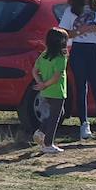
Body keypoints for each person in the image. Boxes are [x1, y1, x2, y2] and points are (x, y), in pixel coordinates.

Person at [57, 0, 96, 139]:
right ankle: (84, 124)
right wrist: (82, 30)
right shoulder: (71, 10)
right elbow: (64, 33)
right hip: (78, 49)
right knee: (81, 88)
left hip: (94, 49)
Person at [31, 26, 69, 154]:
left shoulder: (44, 54)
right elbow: (56, 77)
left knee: (58, 112)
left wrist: (40, 83)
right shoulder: (60, 58)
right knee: (55, 118)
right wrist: (45, 84)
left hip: (46, 92)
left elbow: (34, 71)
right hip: (57, 91)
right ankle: (48, 144)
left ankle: (41, 132)